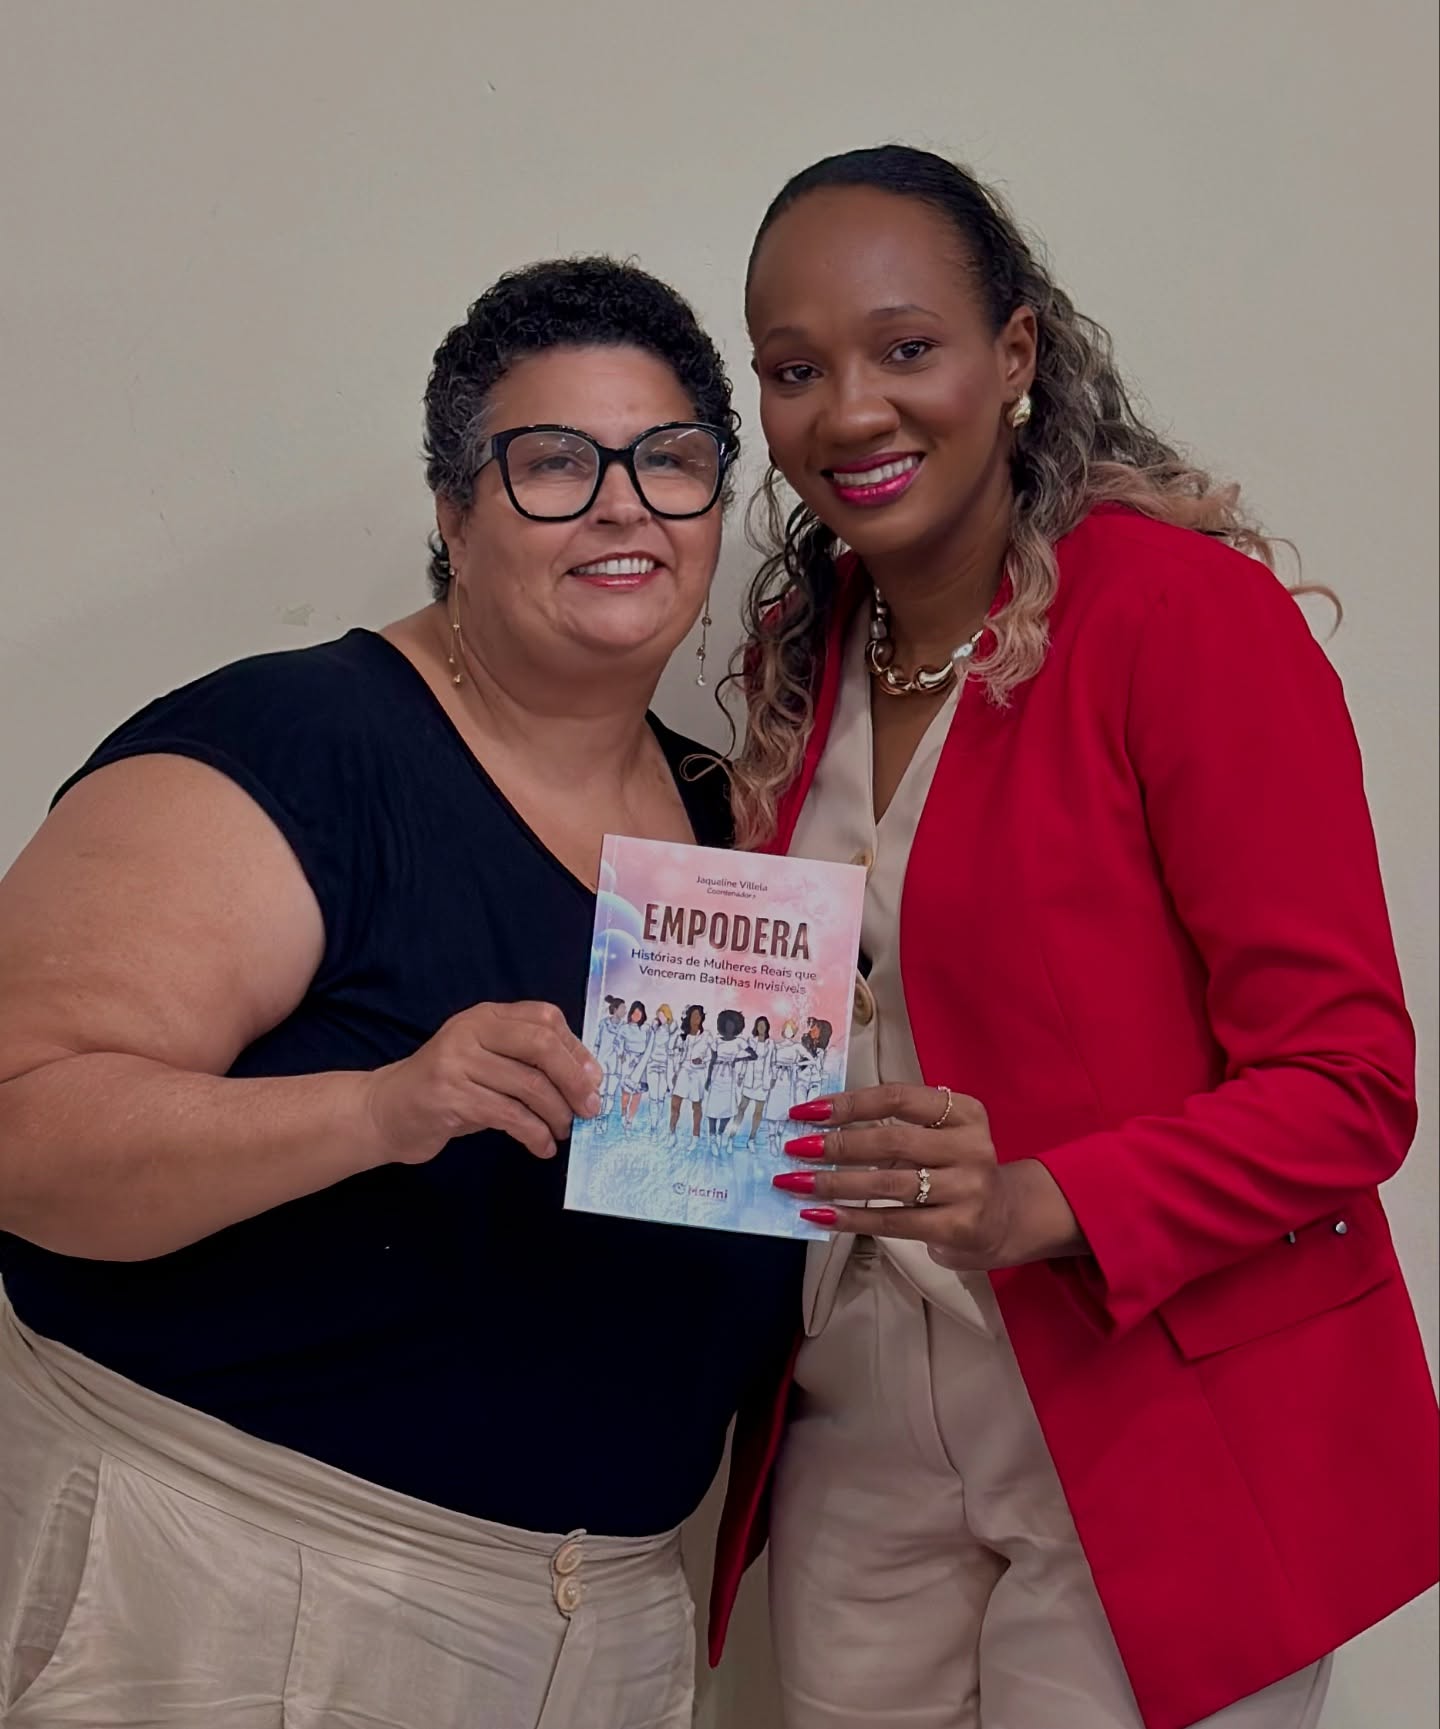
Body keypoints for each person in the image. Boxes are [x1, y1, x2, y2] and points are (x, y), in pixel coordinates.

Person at [0, 257, 802, 1729]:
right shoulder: (300, 744)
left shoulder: (731, 823)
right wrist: (380, 1108)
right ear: (453, 514)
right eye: (553, 462)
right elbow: (19, 1126)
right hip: (231, 1586)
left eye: (672, 459)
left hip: (602, 1630)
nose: (623, 505)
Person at [707, 145, 1439, 1729]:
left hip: (1156, 1417)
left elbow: (1350, 1084)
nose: (851, 409)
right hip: (855, 1424)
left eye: (907, 346)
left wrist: (1041, 1196)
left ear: (1015, 354)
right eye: (794, 368)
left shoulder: (1180, 619)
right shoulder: (794, 660)